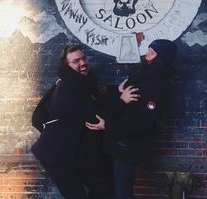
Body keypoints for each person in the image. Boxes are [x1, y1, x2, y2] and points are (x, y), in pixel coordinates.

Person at [31, 44, 139, 199]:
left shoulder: (82, 82)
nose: (82, 63)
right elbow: (95, 119)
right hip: (57, 157)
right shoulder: (68, 89)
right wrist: (122, 101)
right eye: (76, 61)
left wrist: (117, 91)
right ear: (67, 65)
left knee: (104, 190)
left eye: (83, 58)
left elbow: (97, 96)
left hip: (77, 153)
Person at [86, 39, 177, 199]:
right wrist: (118, 91)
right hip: (118, 143)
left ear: (161, 58)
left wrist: (108, 126)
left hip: (129, 146)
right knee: (112, 190)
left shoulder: (158, 85)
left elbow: (144, 123)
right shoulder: (142, 76)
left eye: (152, 53)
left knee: (123, 193)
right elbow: (130, 102)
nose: (147, 55)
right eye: (148, 50)